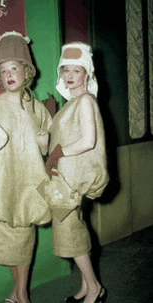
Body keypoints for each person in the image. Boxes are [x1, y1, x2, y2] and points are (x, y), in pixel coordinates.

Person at [0, 31, 52, 303]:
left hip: (28, 184)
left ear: (27, 71)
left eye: (14, 68)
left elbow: (47, 148)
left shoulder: (37, 108)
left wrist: (44, 142)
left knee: (25, 238)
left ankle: (21, 293)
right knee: (7, 240)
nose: (9, 75)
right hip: (1, 185)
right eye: (3, 71)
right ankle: (18, 291)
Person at [45, 42, 109, 303]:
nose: (69, 76)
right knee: (77, 227)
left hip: (71, 180)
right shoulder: (71, 103)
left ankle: (94, 288)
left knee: (70, 231)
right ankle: (86, 286)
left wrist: (57, 153)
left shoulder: (84, 100)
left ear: (88, 75)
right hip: (65, 177)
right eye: (65, 71)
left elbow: (88, 141)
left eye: (76, 71)